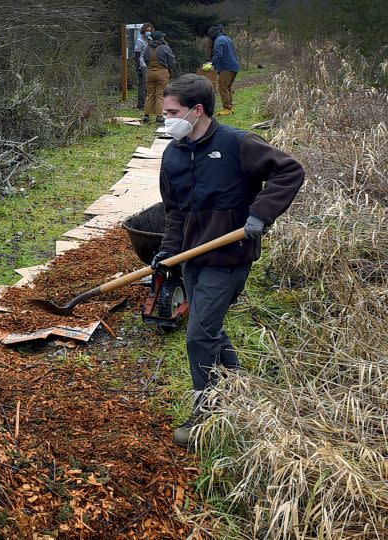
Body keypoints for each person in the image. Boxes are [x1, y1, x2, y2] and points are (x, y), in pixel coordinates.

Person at [153, 75, 304, 446]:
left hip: (230, 255)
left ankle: (207, 411)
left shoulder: (237, 144)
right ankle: (236, 382)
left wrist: (261, 213)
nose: (166, 119)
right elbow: (174, 212)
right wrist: (169, 251)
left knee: (199, 335)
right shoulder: (173, 154)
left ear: (196, 110)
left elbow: (290, 171)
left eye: (172, 112)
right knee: (209, 326)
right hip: (193, 256)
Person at [205, 25, 241, 116]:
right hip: (234, 66)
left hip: (226, 67)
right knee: (228, 87)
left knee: (222, 87)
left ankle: (227, 108)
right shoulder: (226, 38)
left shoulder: (218, 41)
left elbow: (218, 55)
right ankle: (230, 106)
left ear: (212, 36)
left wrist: (210, 63)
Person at [142, 31, 176, 124]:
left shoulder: (148, 47)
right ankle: (159, 116)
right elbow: (172, 61)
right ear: (161, 38)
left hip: (150, 73)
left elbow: (145, 59)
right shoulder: (165, 48)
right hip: (162, 73)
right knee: (160, 95)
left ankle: (146, 115)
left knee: (150, 94)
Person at [133, 22, 154, 110]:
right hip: (142, 64)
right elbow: (136, 56)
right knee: (143, 85)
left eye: (150, 30)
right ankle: (140, 104)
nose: (148, 32)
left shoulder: (150, 39)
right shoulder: (139, 41)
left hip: (149, 64)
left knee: (148, 85)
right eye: (147, 30)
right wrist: (139, 67)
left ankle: (147, 103)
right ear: (143, 30)